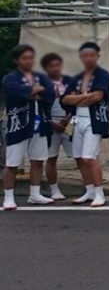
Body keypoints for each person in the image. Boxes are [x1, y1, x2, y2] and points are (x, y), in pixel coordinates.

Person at [2, 45, 56, 210]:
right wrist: (35, 92)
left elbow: (50, 93)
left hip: (39, 123)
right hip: (18, 124)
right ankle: (9, 197)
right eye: (24, 58)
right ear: (16, 60)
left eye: (31, 57)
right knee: (12, 163)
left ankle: (35, 194)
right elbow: (16, 92)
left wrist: (34, 92)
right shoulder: (9, 78)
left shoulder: (41, 77)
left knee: (38, 160)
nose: (29, 61)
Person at [61, 42, 109, 208]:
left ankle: (100, 193)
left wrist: (78, 97)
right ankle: (89, 190)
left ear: (97, 57)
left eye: (92, 55)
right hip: (78, 120)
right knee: (78, 158)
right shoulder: (77, 78)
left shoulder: (104, 76)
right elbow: (64, 99)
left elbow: (96, 97)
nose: (88, 58)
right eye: (85, 55)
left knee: (89, 157)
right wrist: (83, 97)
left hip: (94, 120)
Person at [41, 53, 72, 201]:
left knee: (81, 157)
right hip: (50, 123)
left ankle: (90, 188)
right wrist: (51, 122)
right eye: (51, 66)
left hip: (69, 122)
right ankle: (54, 189)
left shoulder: (69, 81)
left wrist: (68, 118)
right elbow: (39, 106)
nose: (55, 68)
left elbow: (75, 101)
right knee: (51, 158)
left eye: (57, 65)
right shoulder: (42, 84)